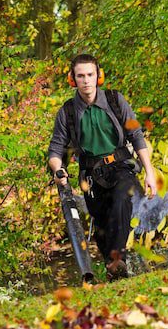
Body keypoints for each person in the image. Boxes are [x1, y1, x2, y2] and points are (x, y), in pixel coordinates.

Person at [48, 54, 156, 280]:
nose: (86, 80)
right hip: (90, 177)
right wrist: (59, 170)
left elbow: (136, 135)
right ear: (72, 79)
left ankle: (117, 262)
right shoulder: (67, 112)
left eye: (90, 75)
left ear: (99, 76)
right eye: (80, 76)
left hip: (121, 168)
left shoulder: (116, 101)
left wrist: (150, 172)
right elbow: (56, 150)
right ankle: (115, 271)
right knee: (104, 230)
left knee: (122, 199)